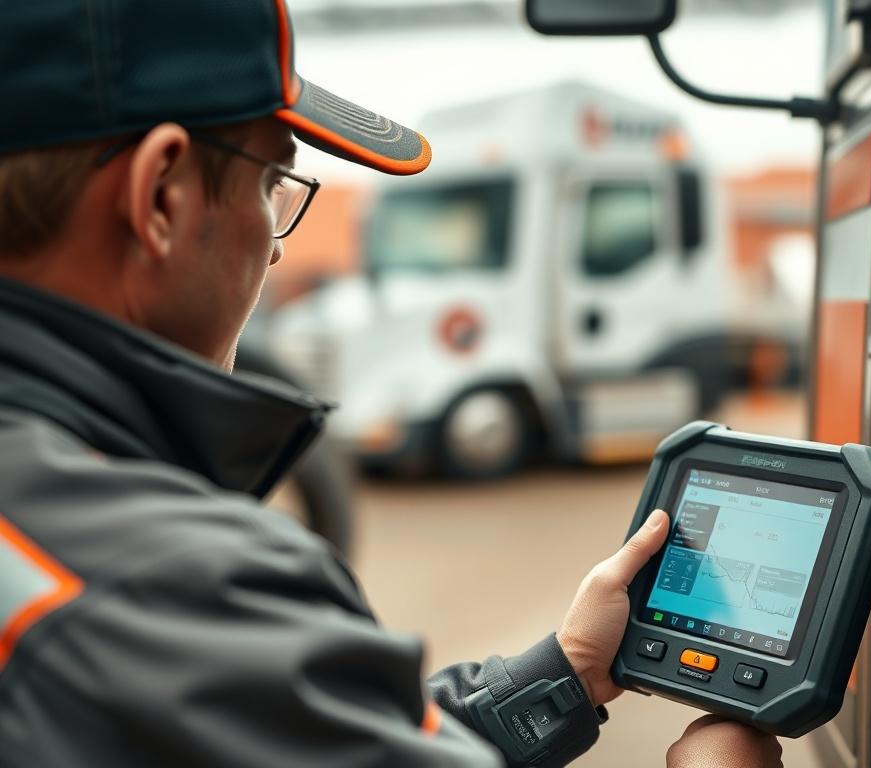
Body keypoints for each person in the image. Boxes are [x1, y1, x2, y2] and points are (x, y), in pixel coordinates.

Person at [0, 2, 783, 766]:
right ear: (161, 197)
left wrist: (572, 669)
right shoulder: (171, 590)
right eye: (271, 180)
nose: (274, 250)